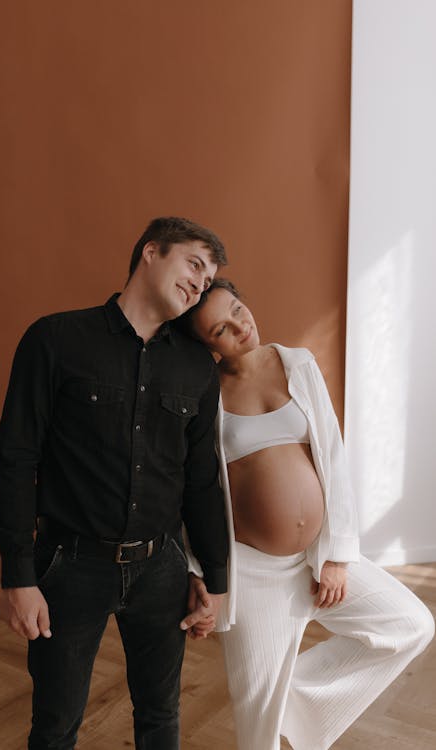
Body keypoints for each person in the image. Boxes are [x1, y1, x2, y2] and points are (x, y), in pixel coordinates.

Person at [0, 216, 230, 750]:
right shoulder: (54, 340)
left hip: (162, 568)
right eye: (193, 263)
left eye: (207, 279)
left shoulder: (197, 368)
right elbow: (13, 460)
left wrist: (213, 577)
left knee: (161, 718)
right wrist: (18, 575)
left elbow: (203, 481)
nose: (199, 283)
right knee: (55, 725)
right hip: (68, 567)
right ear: (150, 252)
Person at [179, 278, 435, 750]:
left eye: (238, 309)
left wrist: (336, 555)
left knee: (409, 624)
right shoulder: (202, 393)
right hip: (252, 570)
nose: (240, 326)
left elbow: (332, 459)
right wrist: (198, 573)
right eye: (220, 328)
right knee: (258, 733)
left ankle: (285, 698)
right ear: (203, 343)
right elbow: (191, 491)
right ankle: (269, 699)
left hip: (316, 560)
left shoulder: (296, 363)